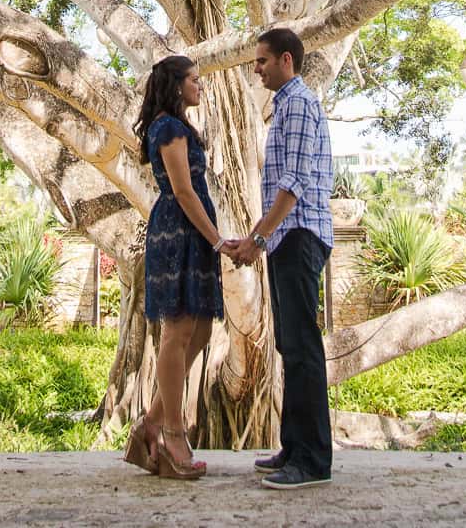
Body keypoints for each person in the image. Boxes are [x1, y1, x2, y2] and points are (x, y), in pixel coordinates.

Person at [226, 26, 334, 490]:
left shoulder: (300, 104)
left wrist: (257, 239)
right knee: (290, 346)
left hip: (299, 235)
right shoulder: (285, 107)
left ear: (286, 60)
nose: (256, 69)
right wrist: (260, 238)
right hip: (288, 236)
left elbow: (293, 183)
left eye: (262, 61)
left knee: (304, 348)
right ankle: (293, 446)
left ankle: (311, 462)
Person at [124, 54, 237, 481]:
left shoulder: (179, 125)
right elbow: (184, 192)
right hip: (179, 232)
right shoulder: (169, 127)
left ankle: (150, 423)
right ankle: (172, 433)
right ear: (175, 86)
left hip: (192, 232)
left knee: (202, 329)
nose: (200, 86)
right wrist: (218, 239)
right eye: (193, 80)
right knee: (178, 330)